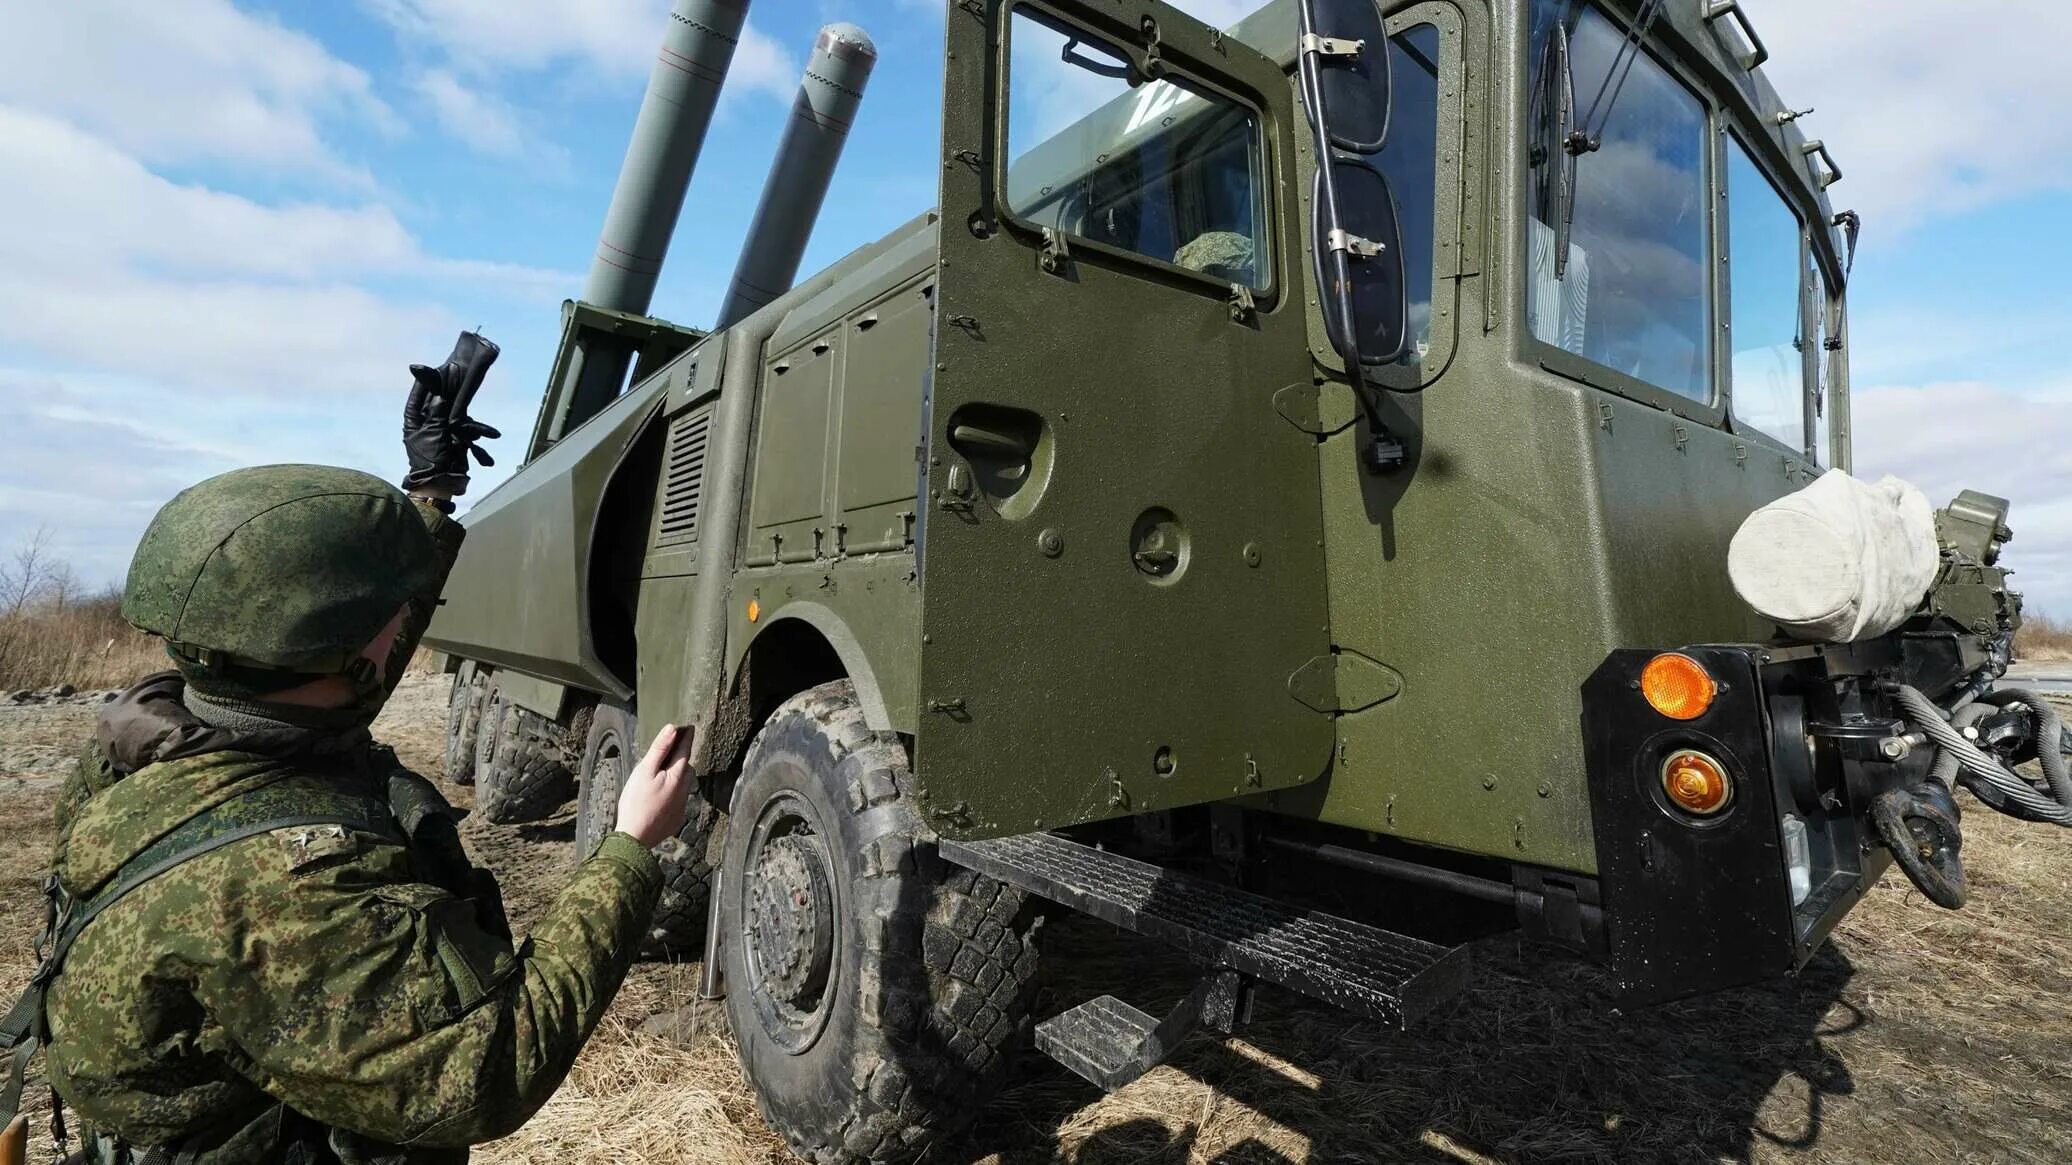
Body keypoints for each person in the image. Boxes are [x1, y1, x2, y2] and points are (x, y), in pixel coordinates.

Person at [0, 333, 691, 1164]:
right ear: (352, 656)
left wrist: (431, 494)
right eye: (391, 615)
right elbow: (494, 1061)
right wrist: (630, 849)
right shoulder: (292, 892)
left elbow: (353, 662)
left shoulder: (154, 743)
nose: (403, 628)